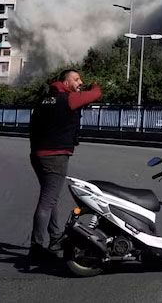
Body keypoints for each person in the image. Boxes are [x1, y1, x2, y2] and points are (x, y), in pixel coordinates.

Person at [28, 69, 102, 261]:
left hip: (37, 154)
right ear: (66, 83)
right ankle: (36, 246)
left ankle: (54, 238)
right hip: (55, 156)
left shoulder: (43, 99)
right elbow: (96, 94)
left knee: (50, 197)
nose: (80, 82)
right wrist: (95, 85)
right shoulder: (68, 99)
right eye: (76, 79)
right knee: (47, 202)